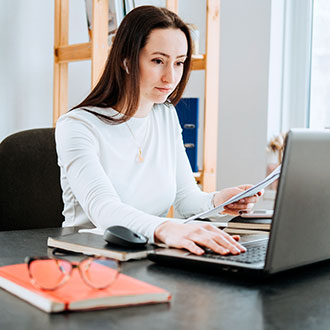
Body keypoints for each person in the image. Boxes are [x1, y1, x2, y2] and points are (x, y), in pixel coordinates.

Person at [55, 5, 261, 256]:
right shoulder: (77, 126)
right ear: (127, 61)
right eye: (158, 61)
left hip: (149, 254)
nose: (170, 77)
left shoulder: (164, 115)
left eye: (179, 63)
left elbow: (186, 199)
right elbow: (104, 209)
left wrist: (219, 201)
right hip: (89, 259)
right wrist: (166, 228)